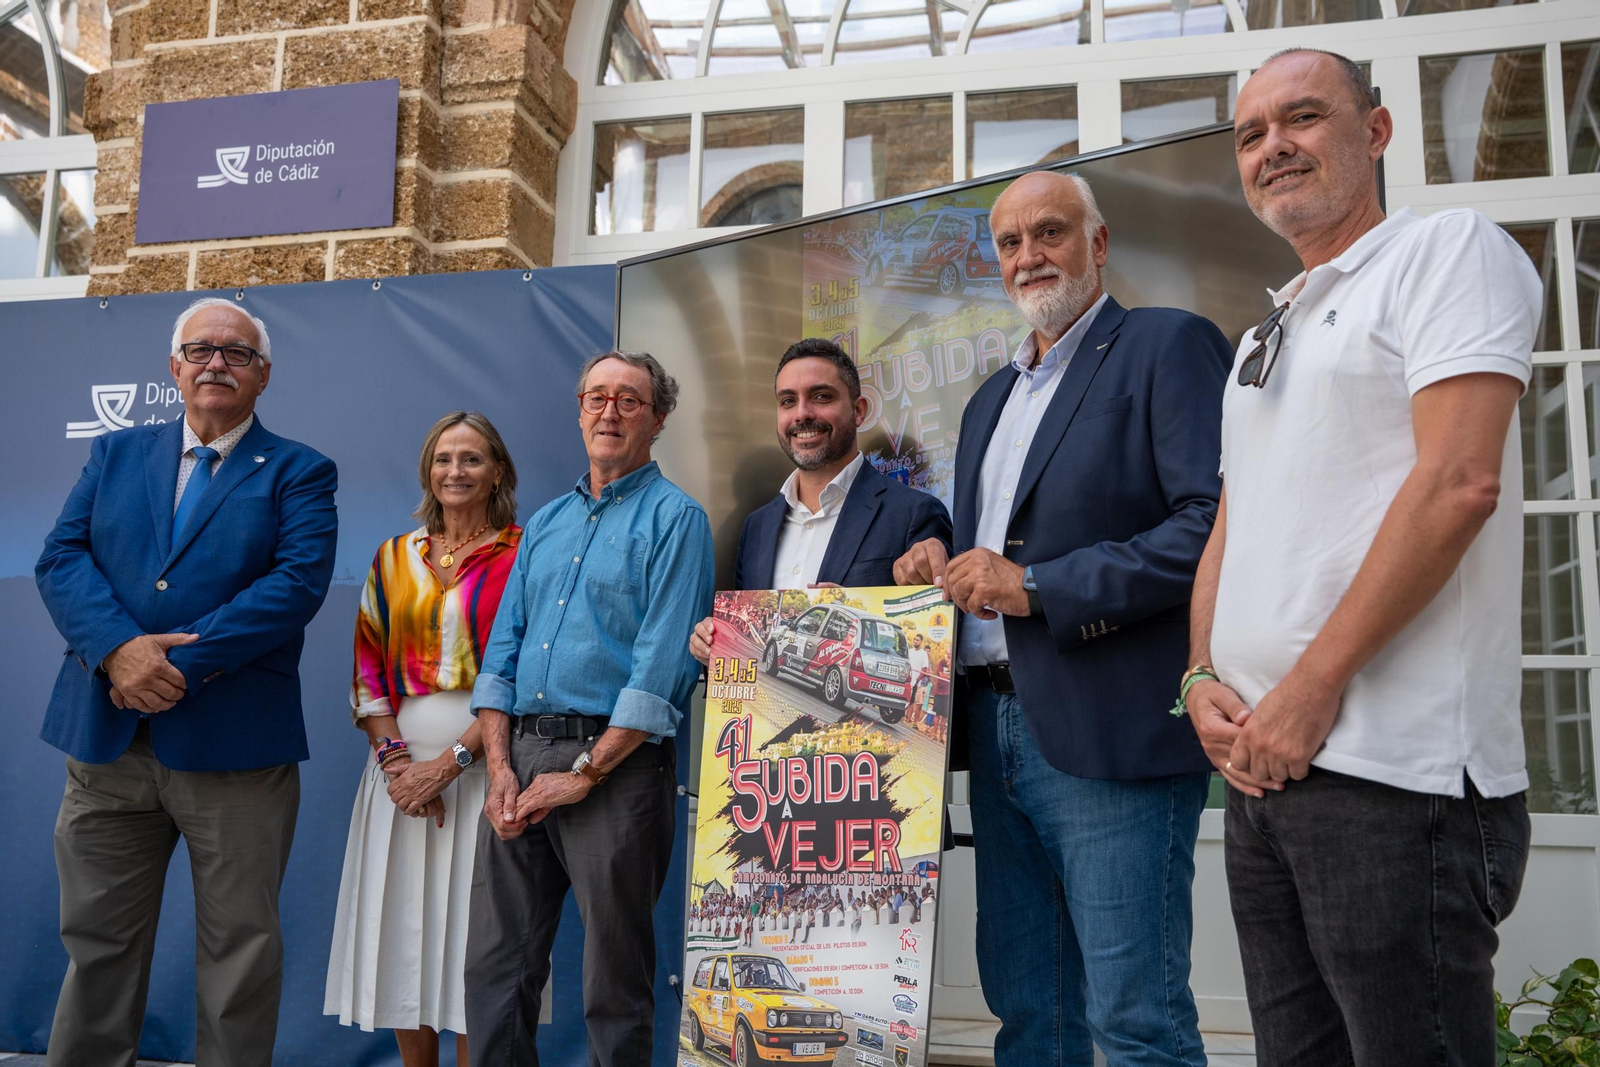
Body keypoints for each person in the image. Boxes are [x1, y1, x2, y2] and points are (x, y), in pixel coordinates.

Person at [1182, 49, 1539, 1067]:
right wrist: (1201, 672)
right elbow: (1230, 523)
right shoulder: (1269, 321)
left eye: (1300, 118)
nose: (1272, 147)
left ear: (1375, 132)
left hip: (1392, 776)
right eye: (1251, 134)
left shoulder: (1446, 251)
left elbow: (1459, 481)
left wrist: (1308, 688)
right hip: (1260, 771)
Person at [894, 170, 1231, 1067]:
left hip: (1110, 730)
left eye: (1049, 231)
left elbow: (1212, 524)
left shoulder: (1166, 345)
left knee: (1136, 1019)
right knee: (1031, 1017)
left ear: (1100, 243)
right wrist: (941, 559)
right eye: (1009, 241)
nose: (1027, 255)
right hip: (993, 726)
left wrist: (1037, 586)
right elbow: (992, 553)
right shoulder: (986, 404)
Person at [35, 297, 338, 1067]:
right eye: (200, 349)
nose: (216, 363)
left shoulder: (301, 470)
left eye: (236, 354)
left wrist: (169, 664)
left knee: (239, 951)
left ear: (263, 374)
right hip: (107, 744)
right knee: (98, 943)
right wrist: (117, 650)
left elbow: (295, 584)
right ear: (174, 367)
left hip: (235, 751)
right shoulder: (115, 453)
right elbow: (62, 560)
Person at [464, 350, 714, 1066]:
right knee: (496, 969)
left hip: (618, 769)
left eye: (629, 400)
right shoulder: (544, 523)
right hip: (522, 759)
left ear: (657, 418)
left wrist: (585, 771)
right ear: (579, 411)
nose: (610, 411)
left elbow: (663, 667)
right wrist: (501, 766)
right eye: (597, 397)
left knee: (614, 980)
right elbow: (502, 652)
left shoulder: (677, 520)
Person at [324, 412, 524, 1066]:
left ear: (498, 470)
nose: (455, 471)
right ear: (427, 471)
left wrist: (453, 761)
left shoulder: (526, 553)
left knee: (478, 945)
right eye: (444, 459)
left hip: (490, 765)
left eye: (471, 458)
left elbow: (524, 672)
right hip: (399, 784)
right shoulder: (392, 556)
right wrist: (398, 768)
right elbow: (366, 674)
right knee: (404, 942)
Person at [689, 337, 951, 665]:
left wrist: (858, 615)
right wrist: (717, 643)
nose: (802, 414)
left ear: (859, 410)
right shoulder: (757, 528)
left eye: (821, 396)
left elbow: (935, 645)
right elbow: (755, 644)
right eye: (787, 401)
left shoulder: (914, 513)